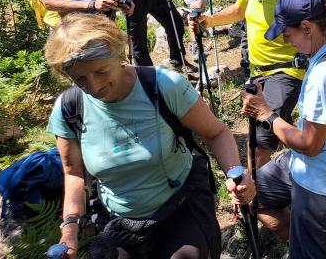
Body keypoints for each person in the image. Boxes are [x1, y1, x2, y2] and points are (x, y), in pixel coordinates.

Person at [44, 13, 254, 259]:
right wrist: (69, 226)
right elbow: (74, 173)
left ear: (120, 54)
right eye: (79, 78)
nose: (93, 86)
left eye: (101, 72)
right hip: (118, 220)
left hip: (180, 205)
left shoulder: (162, 85)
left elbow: (216, 132)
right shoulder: (70, 109)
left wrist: (235, 174)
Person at [242, 0, 326, 259]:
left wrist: (266, 114)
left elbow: (309, 145)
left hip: (325, 180)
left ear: (307, 27)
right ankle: (303, 240)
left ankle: (312, 241)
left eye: (289, 35)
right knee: (254, 194)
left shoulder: (324, 76)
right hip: (316, 164)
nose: (287, 42)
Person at [193, 0, 312, 170]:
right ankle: (259, 190)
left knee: (258, 144)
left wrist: (292, 10)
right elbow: (238, 10)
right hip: (257, 74)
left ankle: (262, 198)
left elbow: (318, 24)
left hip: (285, 71)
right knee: (254, 138)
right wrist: (208, 21)